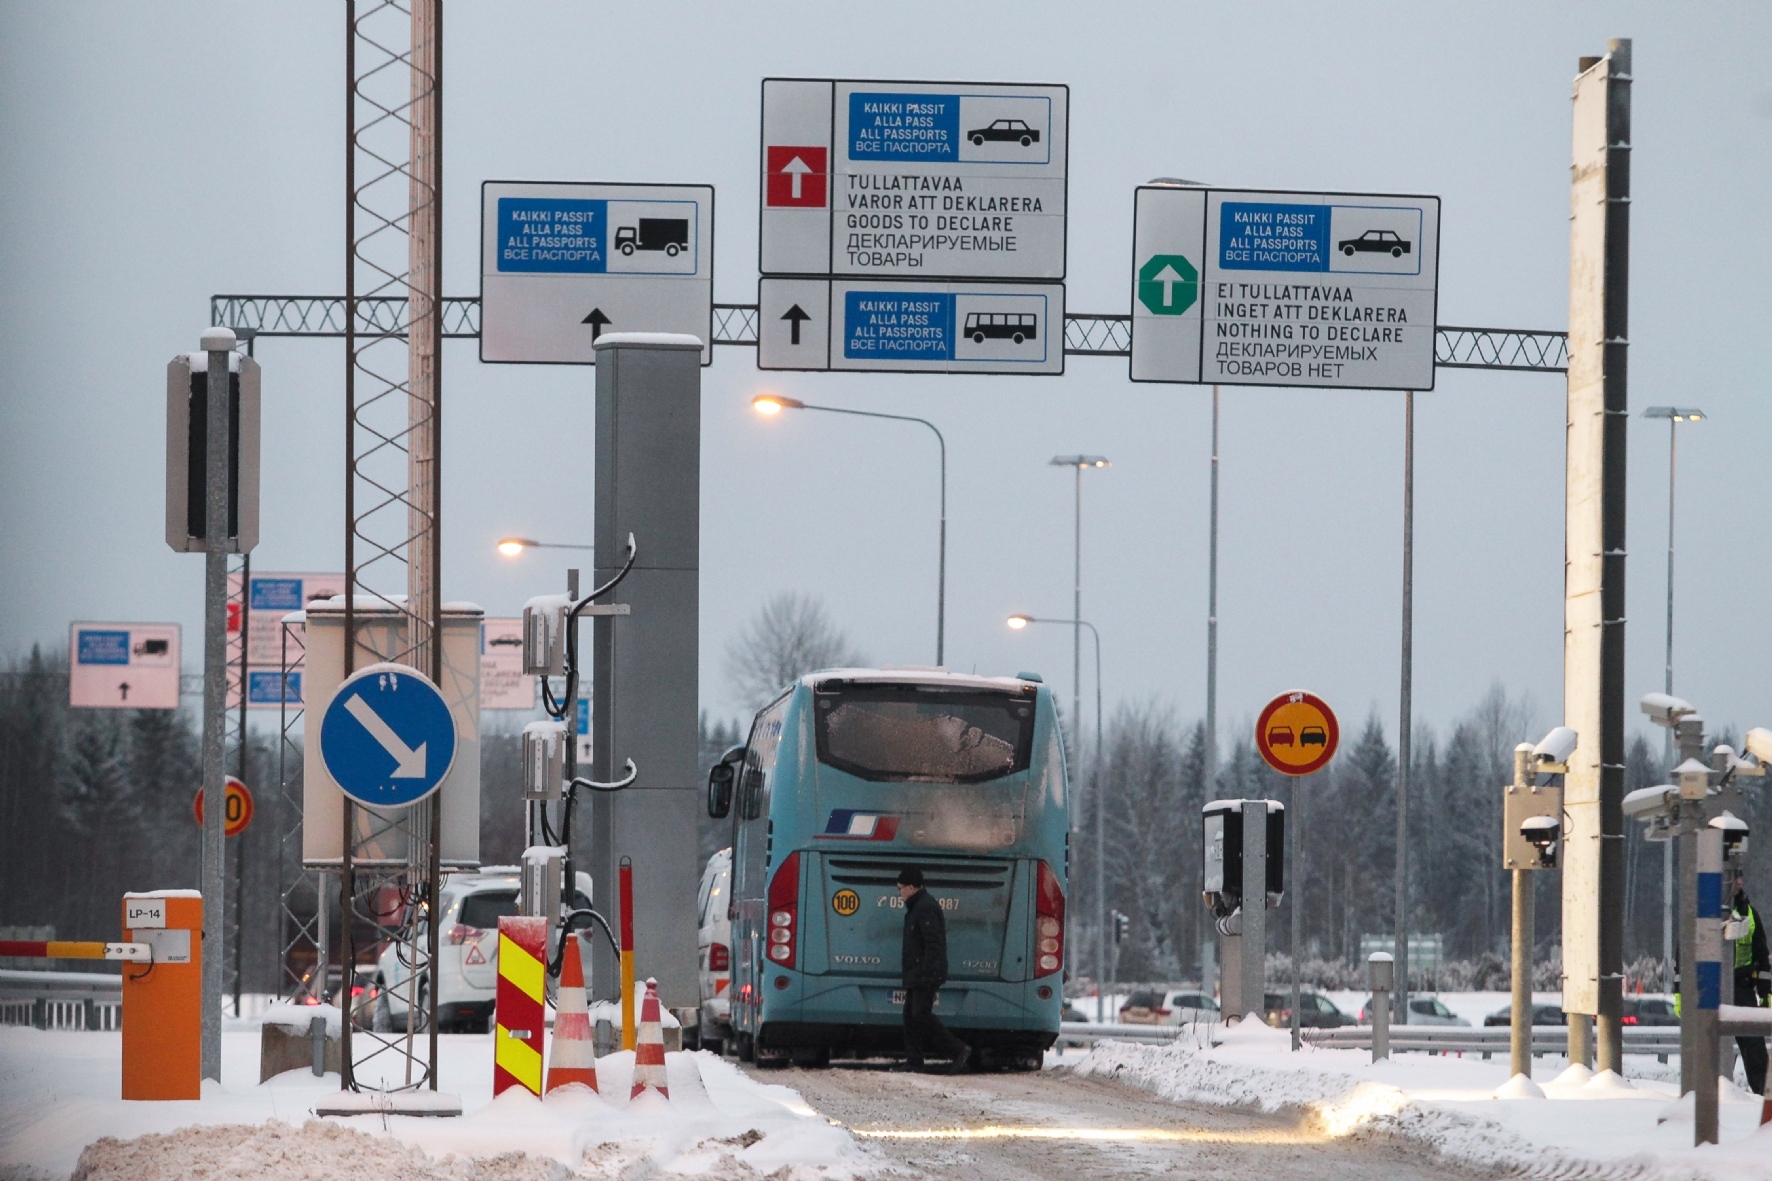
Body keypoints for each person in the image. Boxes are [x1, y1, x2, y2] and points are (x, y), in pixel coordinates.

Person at [897, 867, 970, 1073]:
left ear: (911, 887)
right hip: (917, 972)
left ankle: (958, 1049)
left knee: (920, 1014)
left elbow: (933, 943)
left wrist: (927, 973)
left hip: (924, 973)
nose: (899, 892)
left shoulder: (925, 907)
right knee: (910, 1016)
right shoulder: (917, 906)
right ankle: (914, 1060)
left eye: (901, 888)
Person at [1729, 872, 1770, 1095]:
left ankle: (1764, 1098)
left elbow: (1762, 957)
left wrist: (1765, 994)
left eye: (1740, 878)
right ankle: (1709, 1092)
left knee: (1754, 1049)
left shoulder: (1750, 914)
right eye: (1735, 877)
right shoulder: (1705, 912)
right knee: (1709, 1046)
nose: (1739, 882)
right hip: (1712, 989)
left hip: (1743, 988)